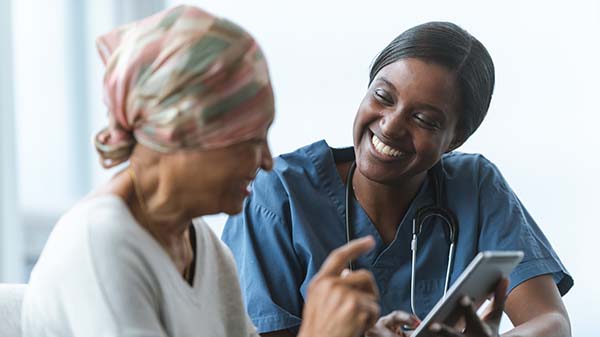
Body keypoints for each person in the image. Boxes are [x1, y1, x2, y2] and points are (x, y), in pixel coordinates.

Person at [21, 6, 387, 337]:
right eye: (249, 142)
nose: (267, 161)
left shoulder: (203, 247)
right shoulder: (99, 247)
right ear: (178, 135)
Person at [222, 21, 573, 337]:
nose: (390, 126)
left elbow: (551, 323)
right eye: (383, 97)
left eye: (424, 118)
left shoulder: (476, 186)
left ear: (455, 140)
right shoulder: (278, 194)